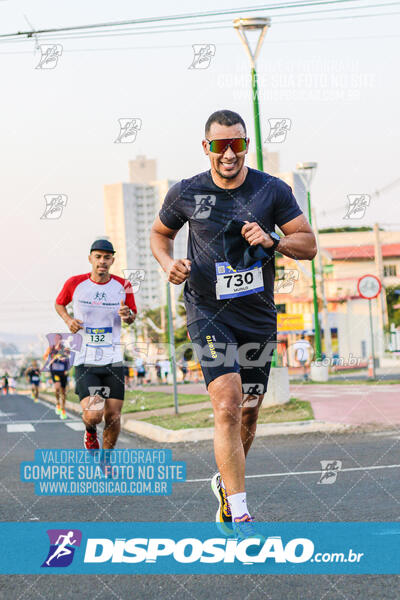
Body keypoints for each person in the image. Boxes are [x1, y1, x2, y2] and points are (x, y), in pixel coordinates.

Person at [150, 109, 316, 539]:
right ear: (206, 147)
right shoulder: (186, 192)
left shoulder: (271, 190)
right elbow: (159, 234)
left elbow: (309, 244)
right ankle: (240, 512)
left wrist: (273, 240)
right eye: (219, 145)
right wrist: (169, 263)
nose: (228, 153)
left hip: (257, 314)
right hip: (207, 310)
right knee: (226, 402)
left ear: (246, 145)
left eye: (237, 144)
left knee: (248, 410)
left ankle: (226, 485)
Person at [55, 239, 137, 449]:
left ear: (112, 260)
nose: (102, 261)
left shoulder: (123, 285)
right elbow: (59, 303)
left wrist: (127, 315)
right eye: (98, 257)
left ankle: (106, 459)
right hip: (86, 360)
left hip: (114, 360)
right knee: (94, 415)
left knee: (113, 416)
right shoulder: (75, 283)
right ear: (90, 258)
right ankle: (90, 432)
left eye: (107, 257)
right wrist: (69, 320)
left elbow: (132, 315)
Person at [44, 334, 70, 419]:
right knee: (57, 387)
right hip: (55, 372)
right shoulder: (51, 349)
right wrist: (52, 358)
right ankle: (58, 403)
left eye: (59, 339)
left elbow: (68, 358)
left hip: (63, 372)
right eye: (56, 339)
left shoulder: (64, 348)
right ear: (54, 340)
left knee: (63, 391)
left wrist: (65, 364)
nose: (57, 340)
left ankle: (63, 407)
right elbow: (45, 358)